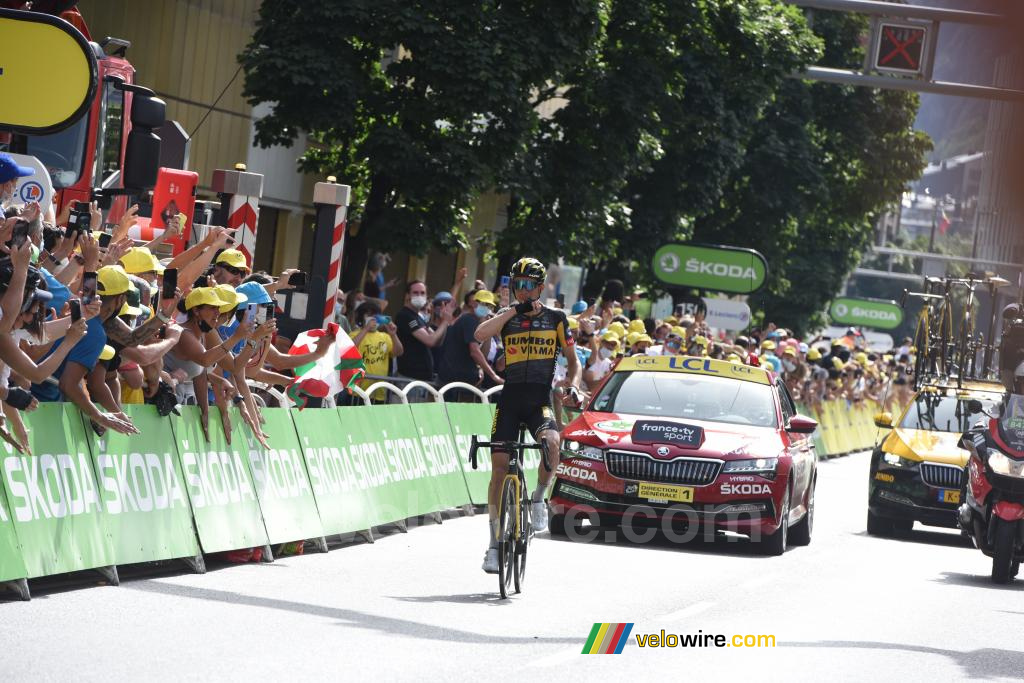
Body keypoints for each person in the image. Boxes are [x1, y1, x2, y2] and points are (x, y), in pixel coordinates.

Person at [473, 257, 581, 574]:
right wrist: (513, 310)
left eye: (526, 285)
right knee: (499, 468)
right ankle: (493, 546)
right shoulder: (508, 317)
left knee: (551, 442)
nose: (520, 291)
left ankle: (538, 498)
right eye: (514, 285)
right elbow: (480, 334)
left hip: (539, 399)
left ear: (540, 286)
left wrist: (573, 385)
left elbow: (574, 363)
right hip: (510, 399)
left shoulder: (557, 318)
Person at [437, 289, 502, 398]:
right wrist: (494, 376)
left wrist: (488, 329)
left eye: (489, 306)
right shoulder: (469, 320)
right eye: (483, 304)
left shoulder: (474, 322)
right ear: (474, 303)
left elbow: (483, 355)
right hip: (454, 384)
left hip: (458, 383)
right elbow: (475, 352)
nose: (486, 308)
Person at [395, 281, 452, 385]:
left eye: (422, 293)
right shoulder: (406, 316)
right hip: (409, 379)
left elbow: (437, 342)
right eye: (415, 293)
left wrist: (444, 321)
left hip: (422, 379)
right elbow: (430, 341)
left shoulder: (418, 317)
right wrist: (445, 321)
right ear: (408, 295)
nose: (419, 296)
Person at [352, 301, 404, 402]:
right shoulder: (355, 334)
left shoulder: (385, 336)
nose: (374, 318)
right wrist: (366, 329)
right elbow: (350, 348)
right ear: (362, 317)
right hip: (357, 392)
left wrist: (393, 335)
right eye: (370, 315)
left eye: (376, 315)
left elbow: (398, 352)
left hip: (379, 393)